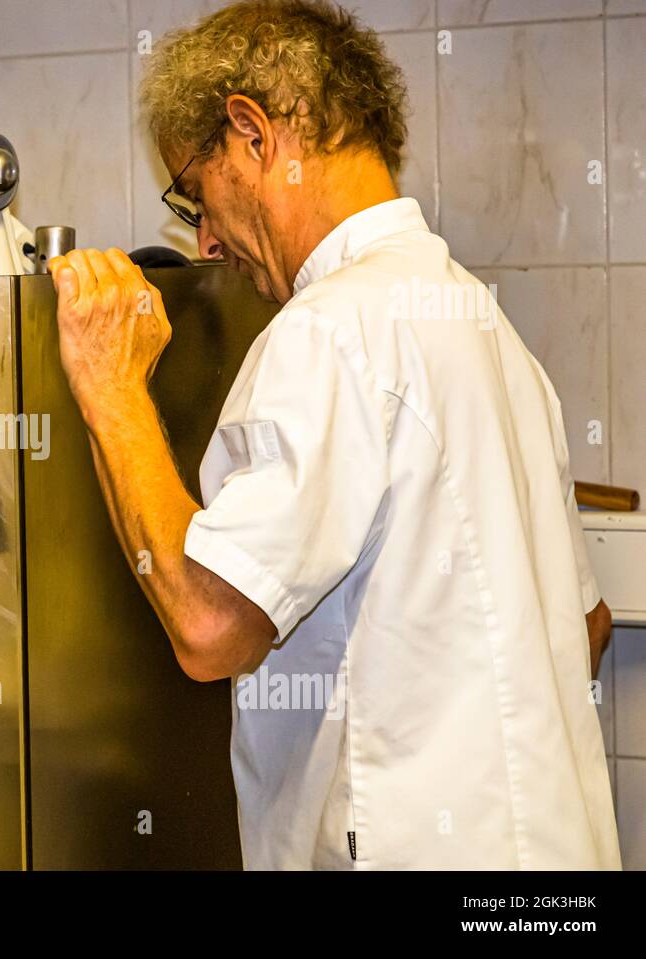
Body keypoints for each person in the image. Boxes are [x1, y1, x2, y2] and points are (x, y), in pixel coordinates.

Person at [48, 0, 619, 869]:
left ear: (253, 133)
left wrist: (110, 387)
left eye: (193, 195)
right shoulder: (483, 325)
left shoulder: (330, 331)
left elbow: (210, 626)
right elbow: (589, 624)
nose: (202, 242)